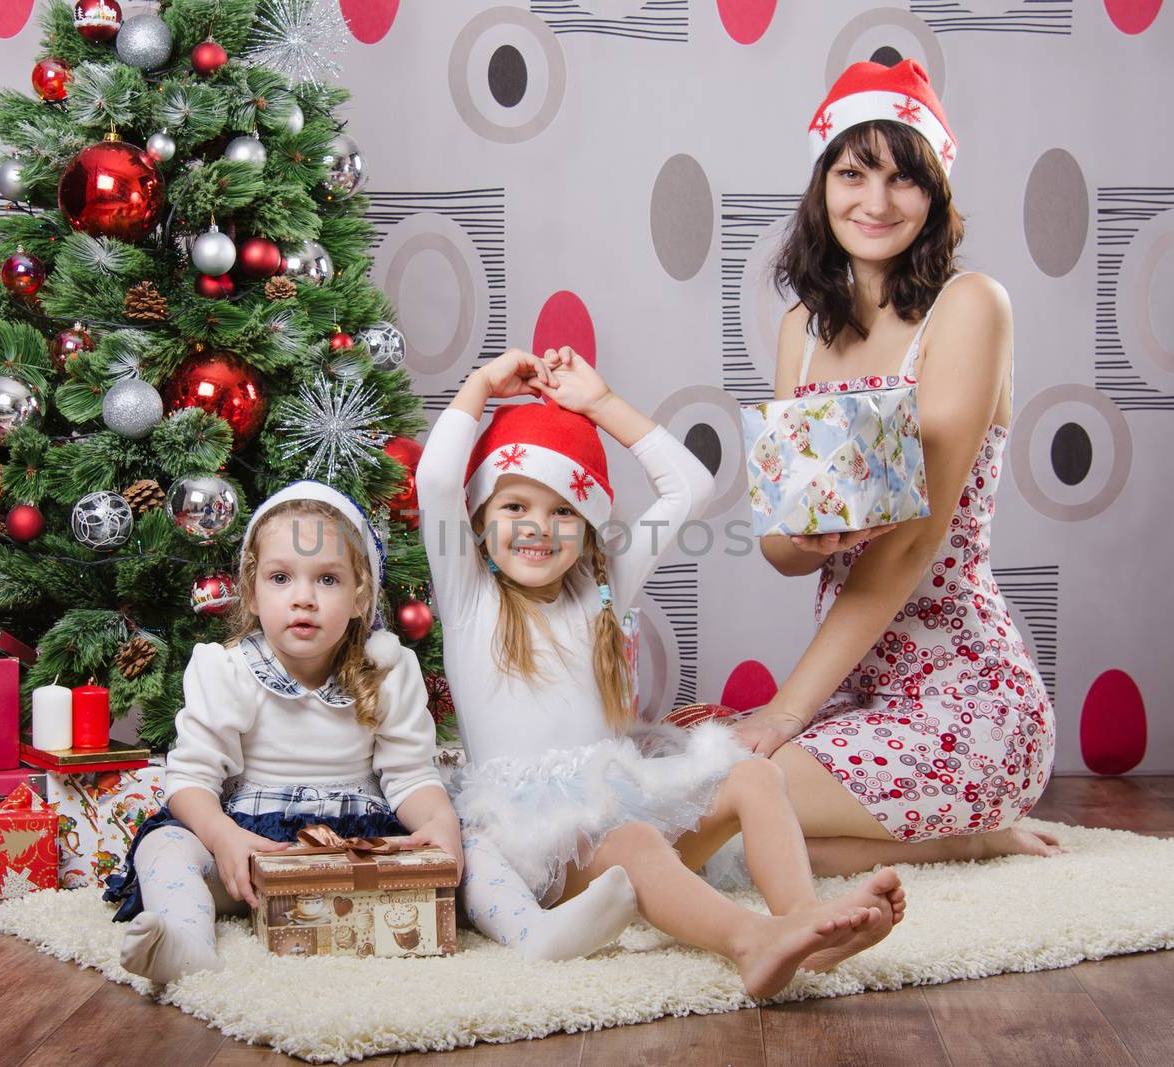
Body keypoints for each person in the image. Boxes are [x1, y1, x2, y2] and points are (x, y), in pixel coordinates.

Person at [418, 347, 903, 995]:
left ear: (588, 527)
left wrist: (599, 403)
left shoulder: (601, 586)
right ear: (479, 522)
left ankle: (802, 926)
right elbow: (436, 481)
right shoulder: (471, 598)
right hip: (533, 841)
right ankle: (749, 941)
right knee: (636, 841)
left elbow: (690, 486)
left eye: (563, 511)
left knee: (755, 776)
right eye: (514, 508)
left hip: (615, 800)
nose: (538, 527)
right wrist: (480, 384)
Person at [734, 58, 1059, 875]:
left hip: (967, 698)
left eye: (902, 179)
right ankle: (960, 841)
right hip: (855, 692)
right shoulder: (801, 331)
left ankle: (972, 825)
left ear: (935, 192)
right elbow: (778, 542)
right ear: (822, 183)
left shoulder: (969, 306)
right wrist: (808, 541)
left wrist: (784, 710)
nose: (875, 203)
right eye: (852, 173)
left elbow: (911, 547)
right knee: (718, 811)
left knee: (729, 797)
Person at [103, 480, 462, 983]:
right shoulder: (227, 669)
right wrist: (224, 837)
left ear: (361, 596)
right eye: (280, 578)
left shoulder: (386, 666)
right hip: (252, 851)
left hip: (355, 849)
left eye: (328, 580)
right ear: (251, 591)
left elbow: (409, 775)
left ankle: (529, 931)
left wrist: (440, 823)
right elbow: (191, 781)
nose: (304, 599)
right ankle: (186, 941)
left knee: (465, 839)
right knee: (162, 847)